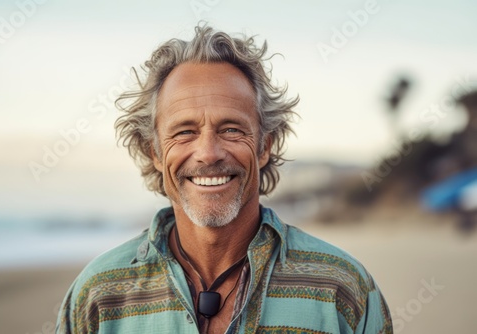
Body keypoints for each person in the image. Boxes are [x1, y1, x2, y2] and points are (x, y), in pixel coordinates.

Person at [56, 24, 392, 334]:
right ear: (155, 153)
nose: (209, 153)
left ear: (264, 146)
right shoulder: (99, 294)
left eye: (231, 129)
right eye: (184, 132)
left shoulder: (343, 288)